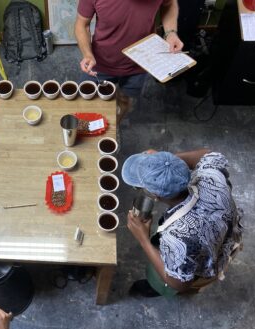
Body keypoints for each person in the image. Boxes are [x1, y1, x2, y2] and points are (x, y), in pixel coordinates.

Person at [121, 149, 243, 297]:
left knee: (163, 279)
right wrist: (168, 165)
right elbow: (208, 153)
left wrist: (143, 239)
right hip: (223, 232)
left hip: (204, 259)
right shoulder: (211, 175)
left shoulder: (177, 238)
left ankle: (155, 287)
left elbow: (179, 283)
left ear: (155, 196)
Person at [74, 0, 184, 120]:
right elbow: (82, 25)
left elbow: (169, 4)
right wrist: (87, 54)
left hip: (140, 63)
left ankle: (114, 127)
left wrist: (171, 33)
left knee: (124, 101)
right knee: (84, 104)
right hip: (100, 62)